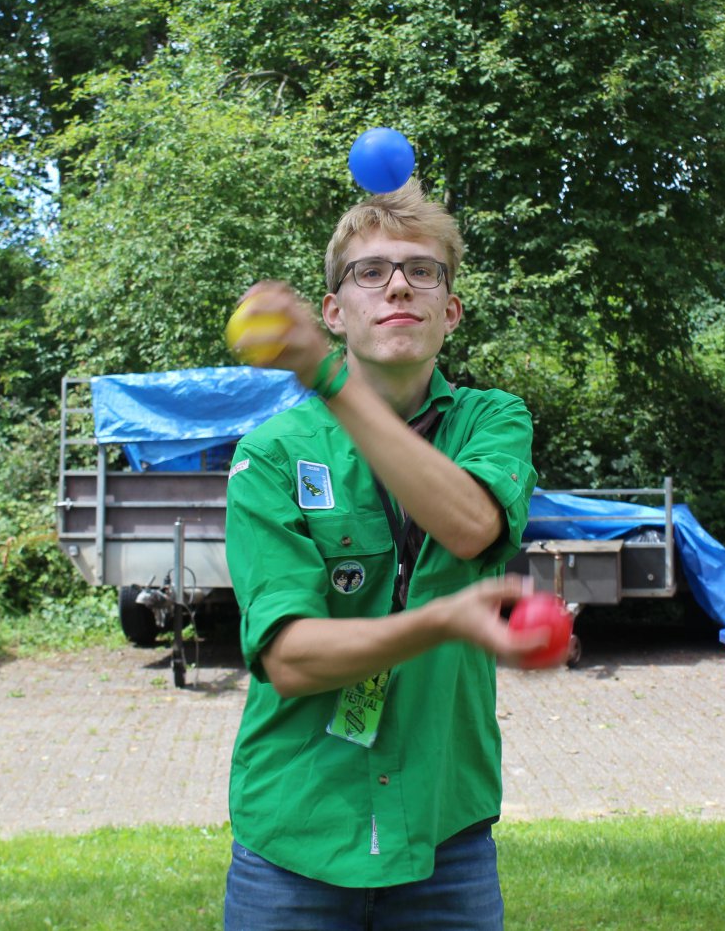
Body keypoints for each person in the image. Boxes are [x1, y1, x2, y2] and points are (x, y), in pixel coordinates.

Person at [221, 179, 554, 930]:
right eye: (370, 272)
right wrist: (442, 622)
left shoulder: (493, 420)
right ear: (334, 312)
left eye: (422, 271)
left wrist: (329, 379)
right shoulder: (271, 455)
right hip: (296, 839)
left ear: (451, 311)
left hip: (444, 836)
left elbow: (470, 525)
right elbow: (290, 658)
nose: (398, 285)